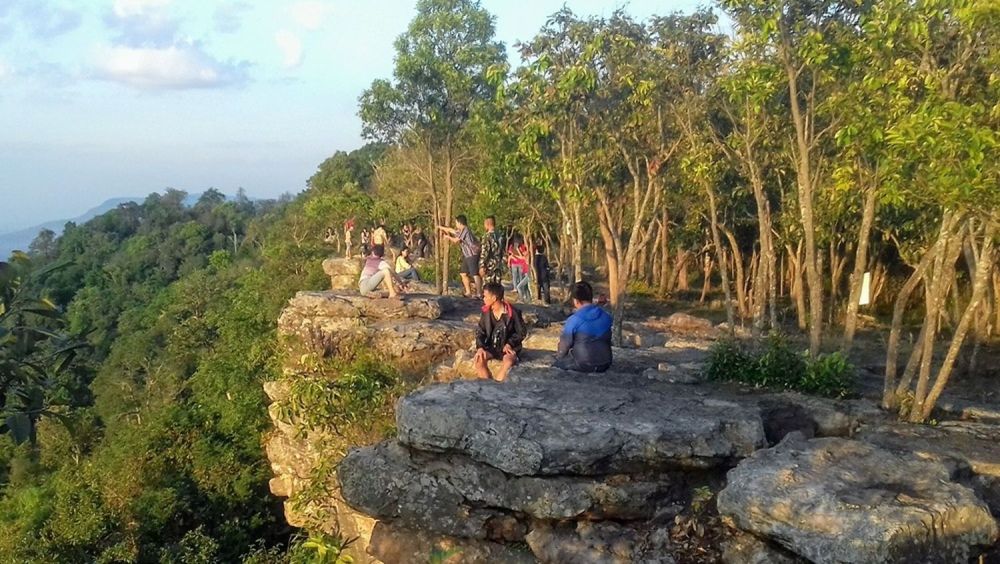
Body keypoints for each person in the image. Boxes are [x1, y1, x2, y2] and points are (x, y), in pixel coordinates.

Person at [554, 281, 613, 373]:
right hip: (605, 363)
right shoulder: (606, 316)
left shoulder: (574, 320)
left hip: (584, 365)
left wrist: (558, 358)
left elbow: (565, 345)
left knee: (557, 364)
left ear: (576, 301)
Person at [474, 282, 527, 382]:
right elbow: (480, 331)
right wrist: (480, 347)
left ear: (494, 298)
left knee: (508, 361)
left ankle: (497, 386)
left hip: (508, 348)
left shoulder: (513, 312)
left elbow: (522, 332)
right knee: (479, 360)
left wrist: (510, 344)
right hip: (492, 346)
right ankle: (487, 385)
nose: (483, 298)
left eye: (485, 296)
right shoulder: (486, 312)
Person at [437, 215, 481, 298]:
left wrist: (447, 237)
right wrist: (441, 227)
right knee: (463, 273)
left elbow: (456, 240)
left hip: (472, 254)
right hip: (466, 255)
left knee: (475, 274)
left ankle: (479, 293)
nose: (456, 224)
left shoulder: (465, 230)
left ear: (460, 223)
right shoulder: (461, 231)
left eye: (456, 222)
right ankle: (468, 292)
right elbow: (452, 230)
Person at [479, 216, 503, 286]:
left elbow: (484, 252)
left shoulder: (487, 237)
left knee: (489, 288)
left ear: (487, 224)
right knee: (497, 289)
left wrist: (482, 265)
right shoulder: (500, 236)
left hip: (489, 267)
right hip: (498, 266)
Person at [507, 233, 530, 302]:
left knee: (518, 276)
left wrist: (515, 253)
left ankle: (518, 288)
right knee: (516, 276)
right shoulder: (515, 246)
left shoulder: (521, 247)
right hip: (516, 263)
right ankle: (516, 288)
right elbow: (510, 253)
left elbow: (523, 255)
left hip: (518, 263)